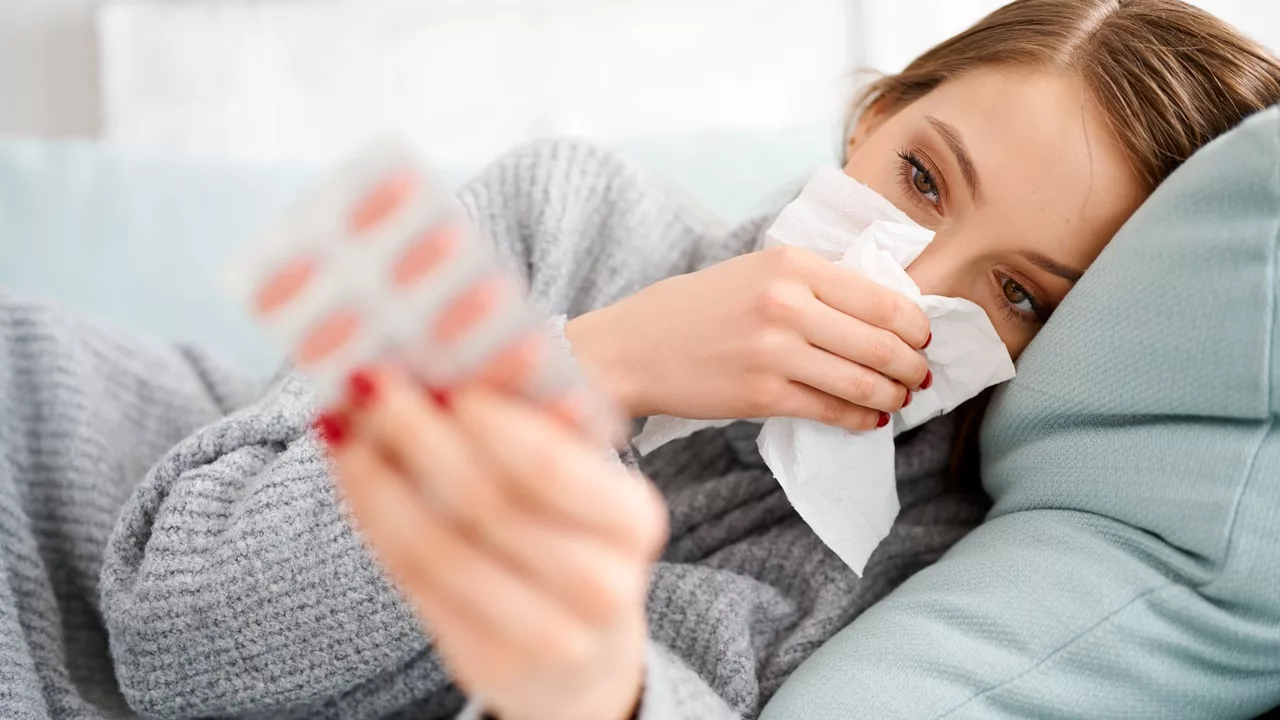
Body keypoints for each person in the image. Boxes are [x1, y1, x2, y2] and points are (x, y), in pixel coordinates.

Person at [1, 1, 1278, 719]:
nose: (908, 285)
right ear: (870, 117)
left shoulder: (924, 579)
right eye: (922, 178)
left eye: (1016, 295)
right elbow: (182, 641)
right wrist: (597, 367)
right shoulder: (569, 218)